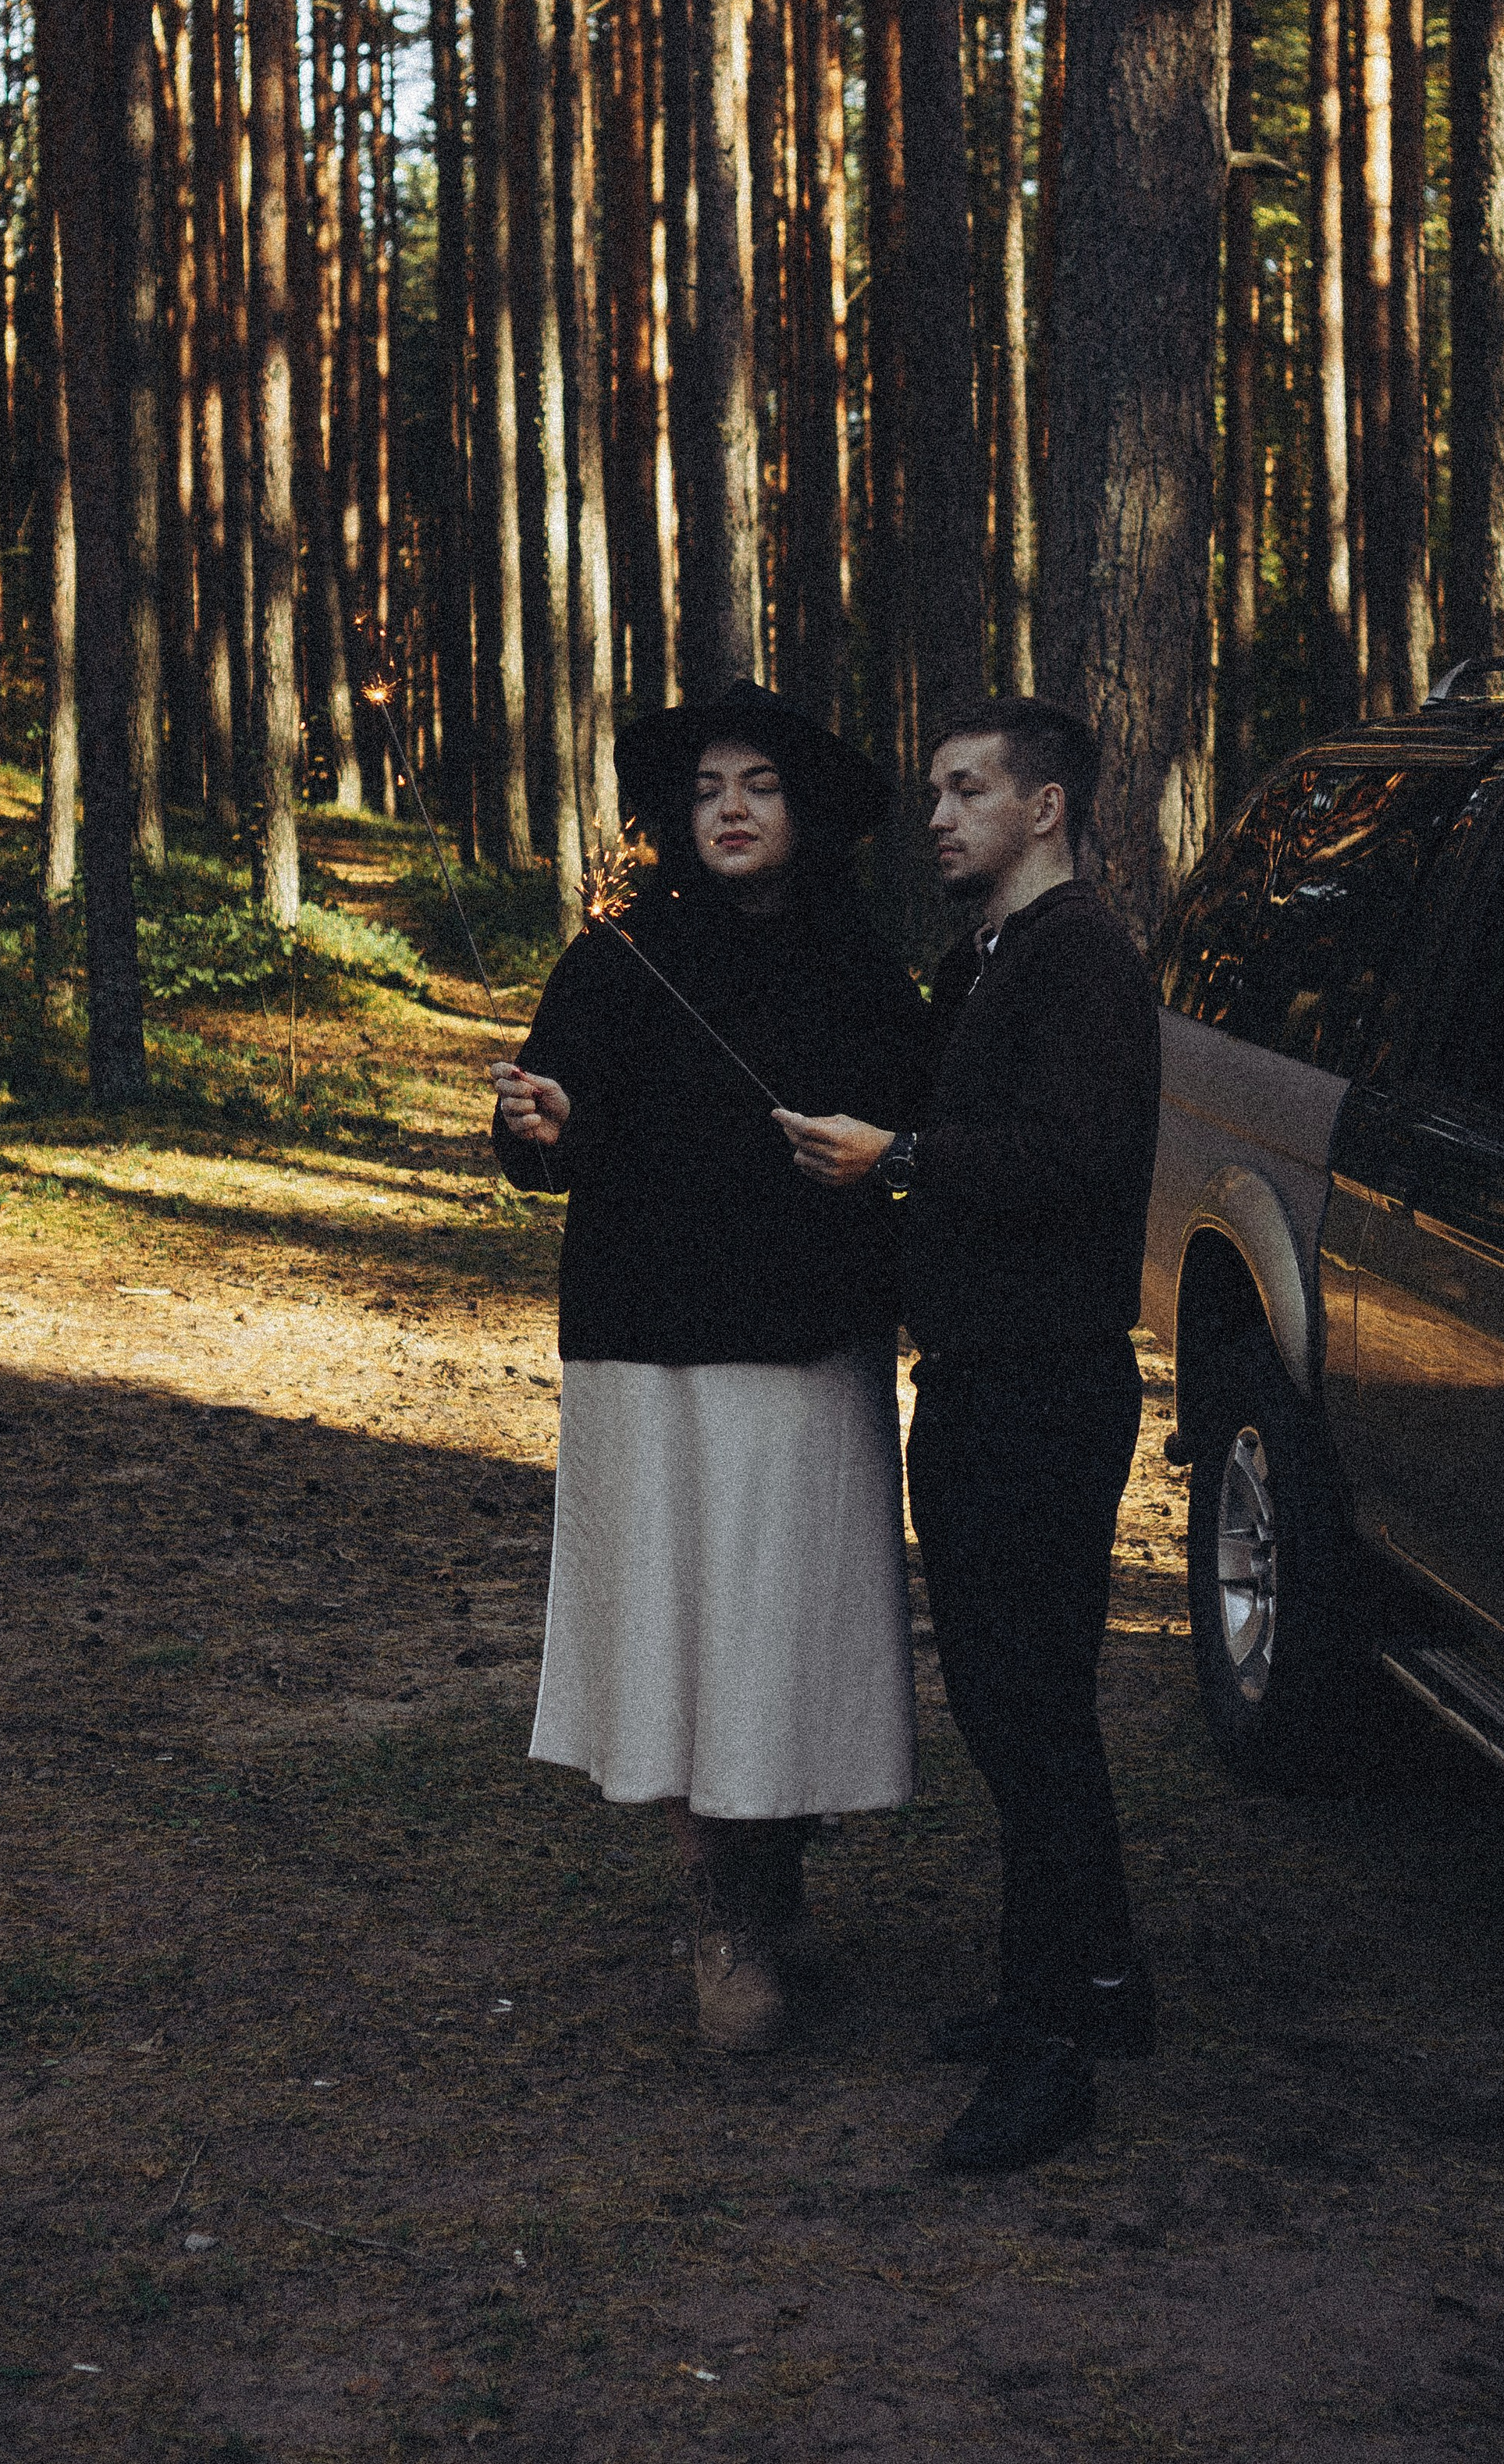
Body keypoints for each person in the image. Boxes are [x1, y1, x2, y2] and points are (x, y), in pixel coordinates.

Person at [490, 681, 927, 2055]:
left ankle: (776, 1876)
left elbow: (918, 1131)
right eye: (704, 792)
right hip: (655, 1345)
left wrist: (880, 1155)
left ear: (806, 811)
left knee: (785, 1623)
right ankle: (722, 1913)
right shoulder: (616, 958)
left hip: (808, 1346)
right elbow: (546, 1124)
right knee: (689, 1624)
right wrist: (540, 1120)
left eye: (759, 786)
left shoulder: (862, 965)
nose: (729, 810)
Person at [777, 698, 1161, 2172]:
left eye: (967, 790)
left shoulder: (1084, 959)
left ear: (1045, 808)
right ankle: (1098, 1983)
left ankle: (1050, 2049)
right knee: (1018, 1707)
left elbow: (1079, 1162)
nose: (936, 816)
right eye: (934, 791)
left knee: (1029, 1713)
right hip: (981, 1379)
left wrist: (904, 1159)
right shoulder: (985, 960)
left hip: (1045, 1388)